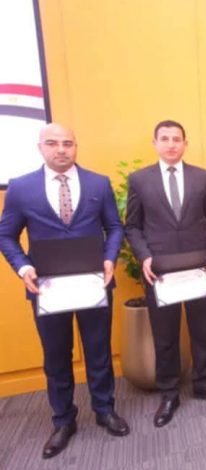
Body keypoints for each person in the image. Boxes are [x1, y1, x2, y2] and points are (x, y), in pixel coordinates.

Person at [0, 123, 129, 459]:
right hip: (47, 288)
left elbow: (114, 226)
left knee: (98, 350)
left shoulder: (98, 183)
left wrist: (110, 257)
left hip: (94, 283)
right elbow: (6, 235)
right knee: (56, 356)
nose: (61, 149)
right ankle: (63, 420)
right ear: (40, 147)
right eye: (53, 143)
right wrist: (23, 267)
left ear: (76, 146)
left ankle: (104, 410)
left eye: (68, 143)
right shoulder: (21, 188)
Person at [126, 120, 206, 428]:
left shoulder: (203, 177)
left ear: (185, 143)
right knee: (165, 336)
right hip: (159, 272)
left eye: (176, 139)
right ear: (155, 143)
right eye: (165, 139)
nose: (171, 144)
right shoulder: (139, 180)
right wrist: (144, 257)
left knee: (202, 331)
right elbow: (132, 226)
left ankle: (203, 382)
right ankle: (169, 393)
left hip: (200, 269)